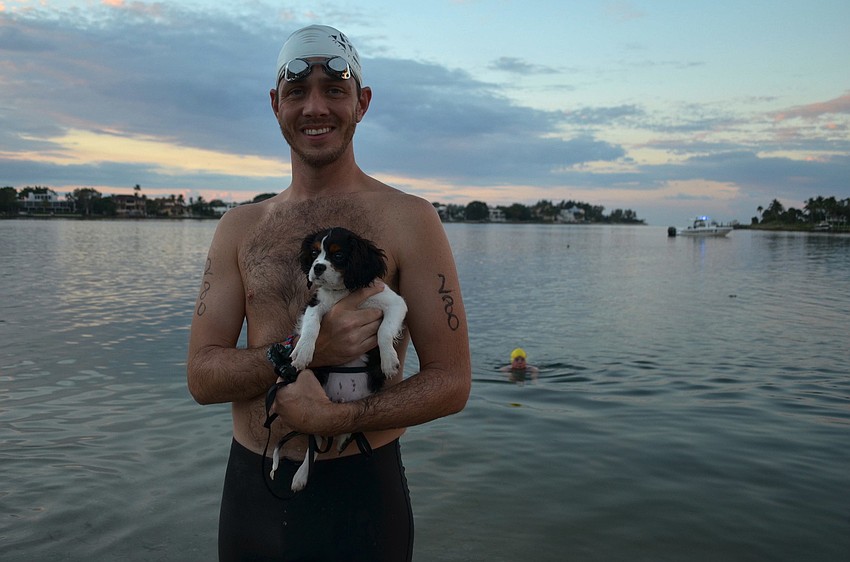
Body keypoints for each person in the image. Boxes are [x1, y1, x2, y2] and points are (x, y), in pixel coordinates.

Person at [186, 24, 471, 562]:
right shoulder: (239, 228)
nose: (315, 107)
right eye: (297, 92)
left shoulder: (411, 220)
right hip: (253, 493)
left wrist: (333, 420)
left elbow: (452, 383)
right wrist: (298, 352)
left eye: (334, 91)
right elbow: (202, 377)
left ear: (361, 102)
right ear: (276, 104)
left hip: (363, 494)